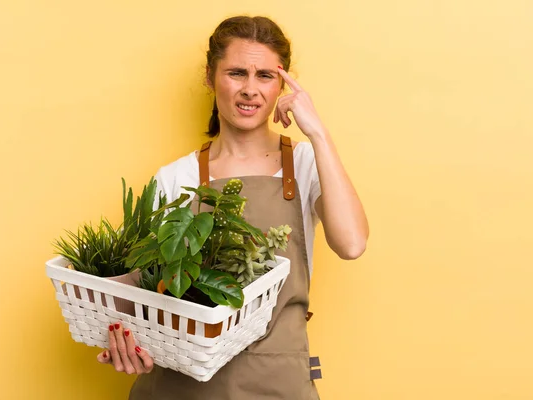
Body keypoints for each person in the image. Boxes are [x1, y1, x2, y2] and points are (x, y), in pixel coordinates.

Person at [96, 15, 369, 399]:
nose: (250, 90)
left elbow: (352, 243)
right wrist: (124, 340)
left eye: (265, 76)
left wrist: (318, 133)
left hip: (277, 384)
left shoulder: (306, 164)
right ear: (210, 78)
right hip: (181, 387)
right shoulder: (176, 176)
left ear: (283, 84)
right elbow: (138, 290)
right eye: (237, 73)